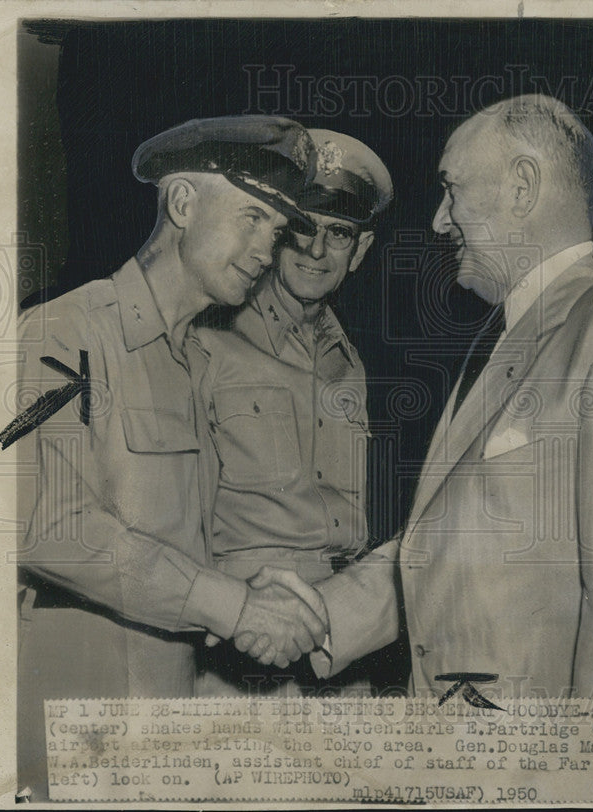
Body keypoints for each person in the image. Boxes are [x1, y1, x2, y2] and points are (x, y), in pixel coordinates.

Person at [253, 94, 593, 698]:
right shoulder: (511, 336)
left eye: (453, 190)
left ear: (522, 188)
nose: (441, 221)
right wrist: (313, 614)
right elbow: (450, 543)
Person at [12, 116, 329, 798]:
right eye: (250, 217)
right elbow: (50, 529)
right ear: (182, 204)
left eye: (275, 232)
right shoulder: (61, 334)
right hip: (75, 735)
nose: (263, 249)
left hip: (169, 732)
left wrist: (267, 593)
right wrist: (236, 608)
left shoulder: (196, 362)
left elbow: (183, 543)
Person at [194, 130, 392, 696]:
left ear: (361, 250)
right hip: (242, 648)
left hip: (344, 645)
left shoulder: (350, 361)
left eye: (339, 233)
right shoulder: (208, 340)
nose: (315, 251)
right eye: (301, 227)